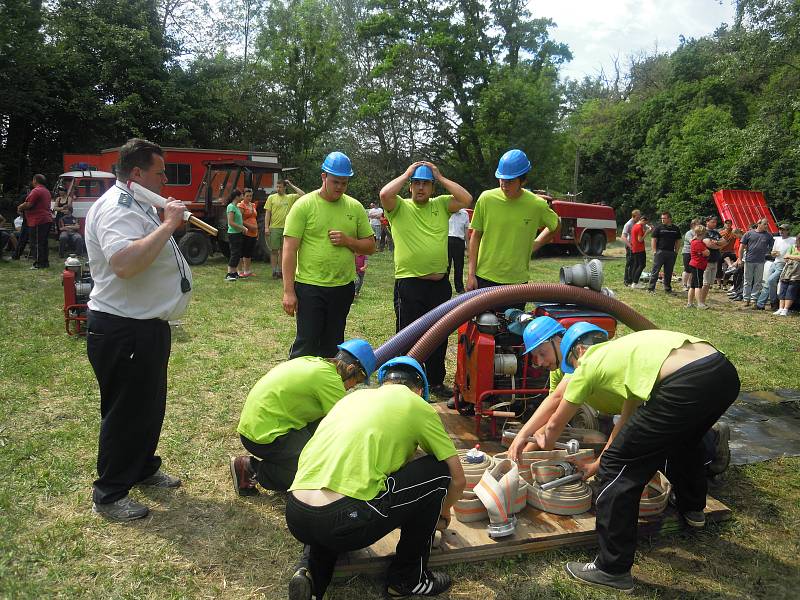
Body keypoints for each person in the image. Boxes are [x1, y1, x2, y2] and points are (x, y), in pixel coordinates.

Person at [530, 323, 739, 593]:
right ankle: (693, 508)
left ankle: (611, 569)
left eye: (572, 363)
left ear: (579, 350)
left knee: (620, 471)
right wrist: (596, 464)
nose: (574, 369)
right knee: (686, 441)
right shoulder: (627, 358)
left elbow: (552, 428)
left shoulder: (588, 362)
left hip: (686, 380)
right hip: (722, 371)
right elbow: (624, 428)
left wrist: (536, 440)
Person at [285, 356, 466, 600]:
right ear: (419, 389)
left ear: (384, 383)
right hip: (347, 519)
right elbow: (457, 478)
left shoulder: (353, 398)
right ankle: (408, 578)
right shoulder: (416, 405)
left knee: (331, 508)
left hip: (298, 513)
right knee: (437, 473)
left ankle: (310, 575)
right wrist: (442, 512)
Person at [85, 138, 193, 522]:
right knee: (125, 412)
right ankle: (110, 493)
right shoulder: (116, 208)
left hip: (146, 326)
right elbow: (125, 264)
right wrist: (168, 225)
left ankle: (143, 467)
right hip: (121, 328)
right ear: (136, 172)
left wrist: (165, 221)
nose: (165, 180)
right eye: (160, 172)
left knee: (148, 406)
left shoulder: (138, 202)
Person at [507, 317, 731, 478]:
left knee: (651, 456)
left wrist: (524, 438)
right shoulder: (565, 366)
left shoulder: (584, 360)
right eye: (535, 358)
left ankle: (713, 439)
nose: (540, 362)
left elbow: (556, 408)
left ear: (558, 340)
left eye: (542, 354)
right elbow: (553, 411)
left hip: (675, 390)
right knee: (650, 446)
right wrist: (526, 452)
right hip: (650, 398)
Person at [230, 339, 376, 495]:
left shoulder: (315, 363)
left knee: (321, 440)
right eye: (358, 380)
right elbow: (348, 425)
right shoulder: (331, 381)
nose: (353, 386)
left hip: (258, 425)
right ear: (351, 368)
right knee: (314, 470)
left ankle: (284, 461)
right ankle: (250, 469)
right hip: (265, 436)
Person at [379, 162, 472, 399]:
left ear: (432, 188)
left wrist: (439, 176)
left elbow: (466, 198)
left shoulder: (440, 205)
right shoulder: (399, 207)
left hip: (438, 285)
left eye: (426, 184)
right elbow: (385, 194)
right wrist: (407, 173)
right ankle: (404, 381)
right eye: (416, 183)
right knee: (408, 334)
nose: (421, 188)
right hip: (410, 284)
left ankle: (435, 381)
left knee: (438, 335)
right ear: (410, 187)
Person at [282, 151, 375, 358]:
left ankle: (325, 387)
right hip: (310, 287)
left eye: (344, 182)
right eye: (336, 182)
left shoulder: (355, 207)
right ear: (324, 176)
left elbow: (370, 246)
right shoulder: (304, 205)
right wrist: (288, 291)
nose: (340, 187)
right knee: (306, 342)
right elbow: (289, 250)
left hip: (342, 288)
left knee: (333, 344)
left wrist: (348, 241)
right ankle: (298, 387)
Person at [466, 149, 560, 310]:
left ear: (522, 181)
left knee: (512, 330)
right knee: (484, 329)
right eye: (501, 179)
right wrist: (471, 274)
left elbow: (556, 225)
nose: (504, 184)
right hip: (485, 277)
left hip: (517, 281)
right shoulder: (486, 199)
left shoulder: (536, 204)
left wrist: (536, 243)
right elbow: (475, 236)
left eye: (509, 181)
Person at [264, 179, 304, 279]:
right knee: (274, 250)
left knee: (283, 251)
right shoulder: (271, 198)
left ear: (284, 187)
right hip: (274, 228)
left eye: (280, 187)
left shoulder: (290, 197)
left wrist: (291, 184)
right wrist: (266, 227)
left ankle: (281, 271)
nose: (278, 189)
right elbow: (268, 213)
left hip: (286, 228)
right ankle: (274, 271)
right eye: (277, 187)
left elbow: (303, 194)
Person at [16, 174, 53, 269]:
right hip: (46, 219)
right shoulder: (46, 191)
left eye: (33, 180)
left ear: (35, 180)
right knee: (43, 242)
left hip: (38, 220)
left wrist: (20, 207)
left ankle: (38, 264)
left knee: (35, 243)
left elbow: (29, 204)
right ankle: (45, 262)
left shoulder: (36, 190)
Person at [755, 223, 795, 310]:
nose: (781, 231)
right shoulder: (777, 240)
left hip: (783, 264)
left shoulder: (793, 240)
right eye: (780, 229)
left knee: (770, 280)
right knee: (767, 284)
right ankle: (761, 305)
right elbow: (773, 252)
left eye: (783, 230)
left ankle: (773, 302)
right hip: (774, 262)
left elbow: (795, 251)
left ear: (788, 231)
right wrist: (773, 253)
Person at [738, 218, 775, 307]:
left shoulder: (768, 236)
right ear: (759, 223)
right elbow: (741, 247)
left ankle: (754, 300)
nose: (767, 226)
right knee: (747, 281)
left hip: (761, 261)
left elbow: (773, 247)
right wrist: (739, 259)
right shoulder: (749, 233)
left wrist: (772, 252)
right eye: (765, 224)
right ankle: (746, 299)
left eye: (767, 224)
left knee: (758, 282)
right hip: (749, 260)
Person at [647, 211, 681, 294]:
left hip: (671, 253)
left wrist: (676, 251)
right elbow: (653, 239)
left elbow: (678, 240)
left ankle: (667, 288)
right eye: (662, 218)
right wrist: (655, 251)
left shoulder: (675, 229)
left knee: (669, 271)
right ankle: (651, 288)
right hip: (660, 252)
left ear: (669, 219)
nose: (662, 220)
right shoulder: (659, 228)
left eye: (664, 218)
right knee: (655, 270)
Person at [697, 215, 724, 307]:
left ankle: (703, 301)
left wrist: (717, 244)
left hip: (715, 260)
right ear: (707, 222)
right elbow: (709, 244)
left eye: (715, 222)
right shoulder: (704, 232)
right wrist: (718, 244)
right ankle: (700, 302)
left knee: (709, 284)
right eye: (712, 222)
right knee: (705, 283)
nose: (714, 224)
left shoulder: (716, 233)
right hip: (706, 261)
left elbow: (724, 242)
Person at [774, 234, 800, 316]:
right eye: (797, 239)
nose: (796, 241)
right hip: (788, 270)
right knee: (783, 289)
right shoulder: (792, 247)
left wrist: (790, 256)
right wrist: (794, 257)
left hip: (797, 272)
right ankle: (781, 308)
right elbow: (785, 257)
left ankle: (786, 309)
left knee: (791, 290)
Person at [225, 189, 247, 281]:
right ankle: (229, 273)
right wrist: (243, 228)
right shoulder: (231, 207)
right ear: (237, 197)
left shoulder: (236, 207)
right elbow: (231, 222)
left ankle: (234, 272)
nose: (242, 197)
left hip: (238, 233)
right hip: (233, 234)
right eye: (241, 195)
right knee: (234, 253)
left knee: (237, 253)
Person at [237, 187, 259, 277]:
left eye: (250, 196)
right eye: (247, 196)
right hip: (245, 231)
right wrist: (250, 227)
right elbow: (239, 220)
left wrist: (255, 229)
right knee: (242, 252)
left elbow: (254, 217)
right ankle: (239, 271)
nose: (249, 198)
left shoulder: (253, 205)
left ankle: (247, 270)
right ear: (243, 196)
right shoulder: (241, 205)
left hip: (253, 233)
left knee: (249, 252)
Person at [447, 207, 470, 294]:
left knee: (459, 266)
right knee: (446, 267)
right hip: (447, 241)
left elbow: (466, 232)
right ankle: (444, 287)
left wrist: (468, 248)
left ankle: (459, 287)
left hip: (459, 242)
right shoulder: (446, 211)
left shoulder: (464, 214)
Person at [688, 224, 710, 309]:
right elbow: (707, 253)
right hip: (697, 265)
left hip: (696, 265)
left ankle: (690, 303)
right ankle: (700, 304)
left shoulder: (697, 241)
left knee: (693, 285)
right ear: (703, 233)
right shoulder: (697, 243)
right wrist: (707, 251)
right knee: (698, 285)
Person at [621, 209, 641, 287]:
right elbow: (623, 236)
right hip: (630, 246)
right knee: (629, 263)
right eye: (639, 215)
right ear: (634, 216)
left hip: (636, 246)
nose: (640, 217)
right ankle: (627, 281)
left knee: (635, 263)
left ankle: (632, 280)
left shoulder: (637, 223)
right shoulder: (628, 224)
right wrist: (630, 246)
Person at [680, 218, 701, 290]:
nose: (699, 226)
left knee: (693, 269)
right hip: (687, 252)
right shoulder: (689, 233)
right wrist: (697, 237)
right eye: (698, 224)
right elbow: (691, 241)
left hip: (695, 253)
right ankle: (684, 284)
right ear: (693, 225)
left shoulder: (699, 233)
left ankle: (689, 284)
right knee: (687, 269)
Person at [628, 215, 648, 288]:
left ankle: (634, 281)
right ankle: (635, 283)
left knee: (636, 265)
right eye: (645, 223)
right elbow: (640, 240)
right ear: (642, 220)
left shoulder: (634, 226)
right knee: (642, 265)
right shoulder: (639, 227)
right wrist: (647, 232)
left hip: (634, 249)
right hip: (640, 249)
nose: (645, 225)